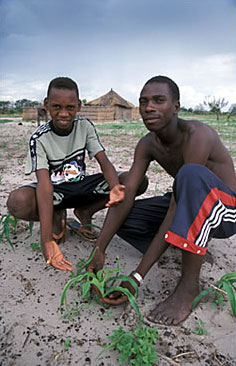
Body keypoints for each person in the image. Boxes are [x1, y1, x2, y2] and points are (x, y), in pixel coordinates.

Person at [88, 75, 236, 325]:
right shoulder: (147, 144)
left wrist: (136, 277)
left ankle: (188, 287)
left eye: (159, 100)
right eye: (143, 102)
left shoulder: (198, 135)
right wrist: (99, 248)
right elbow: (126, 194)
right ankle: (181, 246)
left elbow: (178, 205)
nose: (149, 107)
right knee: (127, 217)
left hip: (226, 212)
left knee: (189, 175)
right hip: (189, 200)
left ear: (176, 107)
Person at [7, 77, 147, 271]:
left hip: (81, 186)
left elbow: (103, 161)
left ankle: (85, 212)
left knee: (135, 181)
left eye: (70, 108)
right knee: (17, 201)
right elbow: (44, 184)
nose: (63, 114)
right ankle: (57, 216)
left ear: (79, 106)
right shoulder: (39, 138)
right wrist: (46, 240)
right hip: (55, 192)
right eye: (56, 107)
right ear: (46, 105)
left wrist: (115, 187)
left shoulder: (84, 126)